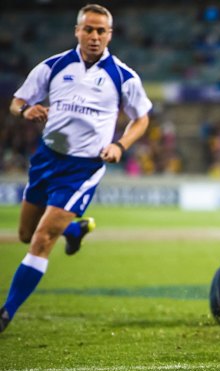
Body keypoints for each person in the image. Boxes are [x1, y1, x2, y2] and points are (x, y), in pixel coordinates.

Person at [0, 4, 152, 333]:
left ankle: (6, 313)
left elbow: (141, 119)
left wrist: (120, 145)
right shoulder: (53, 66)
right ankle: (74, 229)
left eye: (101, 31)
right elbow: (16, 101)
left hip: (83, 167)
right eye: (89, 29)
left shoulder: (123, 77)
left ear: (110, 35)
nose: (94, 36)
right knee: (25, 234)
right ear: (77, 31)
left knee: (41, 239)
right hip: (46, 158)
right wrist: (24, 111)